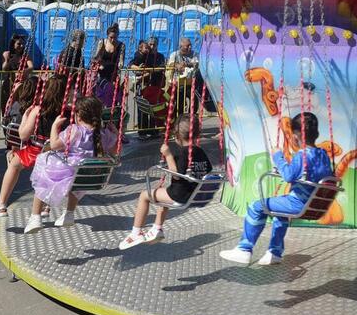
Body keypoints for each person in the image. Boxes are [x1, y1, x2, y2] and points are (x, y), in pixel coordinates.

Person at [220, 112, 333, 266]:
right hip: (315, 203)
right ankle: (274, 252)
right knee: (280, 214)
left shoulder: (302, 156)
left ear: (295, 136)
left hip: (299, 203)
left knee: (255, 206)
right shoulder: (323, 155)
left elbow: (288, 175)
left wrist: (278, 156)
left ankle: (244, 249)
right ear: (316, 134)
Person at [118, 114, 213, 249]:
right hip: (195, 195)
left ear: (177, 136)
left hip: (180, 195)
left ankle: (136, 233)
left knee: (144, 195)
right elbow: (208, 171)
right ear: (197, 133)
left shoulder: (182, 154)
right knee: (163, 195)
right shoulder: (201, 152)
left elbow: (176, 175)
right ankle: (157, 228)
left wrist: (168, 155)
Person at [25, 96, 118, 233]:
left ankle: (35, 217)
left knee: (43, 172)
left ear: (78, 116)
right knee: (77, 183)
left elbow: (54, 145)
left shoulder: (74, 130)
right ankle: (69, 214)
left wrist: (55, 126)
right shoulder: (104, 134)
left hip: (67, 173)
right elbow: (115, 151)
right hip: (88, 175)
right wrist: (115, 133)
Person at [0, 74, 65, 218]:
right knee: (49, 171)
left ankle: (1, 204)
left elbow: (23, 135)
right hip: (57, 153)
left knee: (14, 165)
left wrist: (25, 117)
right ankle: (45, 206)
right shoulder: (67, 111)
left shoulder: (38, 110)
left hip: (36, 150)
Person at [0, 36, 34, 117]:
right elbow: (4, 68)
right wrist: (7, 60)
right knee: (6, 106)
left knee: (19, 106)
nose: (21, 46)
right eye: (19, 44)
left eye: (22, 44)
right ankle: (6, 121)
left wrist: (24, 71)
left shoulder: (25, 56)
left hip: (21, 86)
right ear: (13, 44)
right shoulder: (7, 54)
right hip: (9, 85)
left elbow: (31, 67)